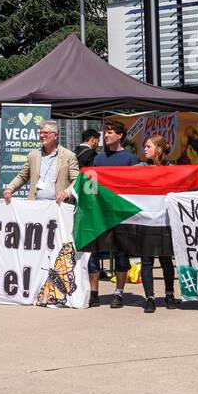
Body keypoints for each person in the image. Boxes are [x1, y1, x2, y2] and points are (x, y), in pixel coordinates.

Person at [88, 121, 138, 308]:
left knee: (121, 254)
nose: (105, 136)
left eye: (109, 132)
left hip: (120, 214)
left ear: (120, 135)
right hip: (100, 213)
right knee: (93, 252)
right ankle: (94, 293)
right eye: (104, 133)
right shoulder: (98, 159)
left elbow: (135, 187)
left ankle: (118, 293)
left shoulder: (130, 159)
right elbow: (91, 185)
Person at [137, 134, 180, 313]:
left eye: (148, 146)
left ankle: (169, 294)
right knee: (146, 260)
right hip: (146, 221)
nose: (145, 149)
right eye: (145, 146)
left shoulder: (173, 169)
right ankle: (150, 298)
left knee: (165, 260)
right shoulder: (139, 168)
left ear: (159, 149)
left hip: (165, 221)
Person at [2, 120, 78, 203]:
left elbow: (77, 180)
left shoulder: (69, 156)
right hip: (36, 206)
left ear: (55, 136)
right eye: (40, 133)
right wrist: (10, 188)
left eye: (45, 133)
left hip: (58, 206)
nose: (41, 135)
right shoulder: (33, 155)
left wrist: (66, 193)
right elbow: (22, 176)